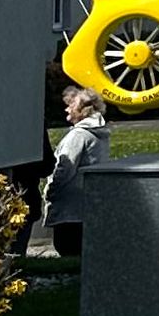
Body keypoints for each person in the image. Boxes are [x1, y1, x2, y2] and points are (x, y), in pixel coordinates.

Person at [45, 91, 110, 258]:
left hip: (70, 207)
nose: (66, 110)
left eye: (71, 106)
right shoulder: (99, 135)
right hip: (87, 203)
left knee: (66, 247)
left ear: (83, 110)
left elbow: (65, 168)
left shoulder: (78, 136)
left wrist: (51, 190)